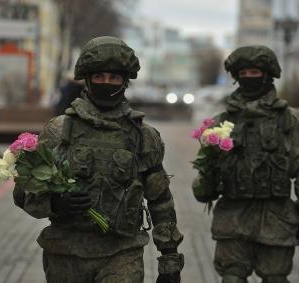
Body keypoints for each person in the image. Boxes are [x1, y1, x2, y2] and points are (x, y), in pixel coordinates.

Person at [13, 36, 184, 283]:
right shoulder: (59, 131)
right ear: (87, 80)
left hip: (122, 251)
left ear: (125, 81)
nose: (107, 83)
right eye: (99, 77)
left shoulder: (143, 136)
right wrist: (55, 204)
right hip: (65, 253)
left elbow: (160, 200)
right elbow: (23, 194)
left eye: (114, 77)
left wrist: (169, 259)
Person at [192, 45, 299, 283]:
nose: (249, 78)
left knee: (275, 278)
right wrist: (205, 181)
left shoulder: (289, 120)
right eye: (243, 73)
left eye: (255, 72)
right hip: (233, 219)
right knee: (231, 278)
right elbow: (206, 178)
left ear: (268, 75)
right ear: (236, 77)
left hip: (276, 218)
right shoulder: (223, 123)